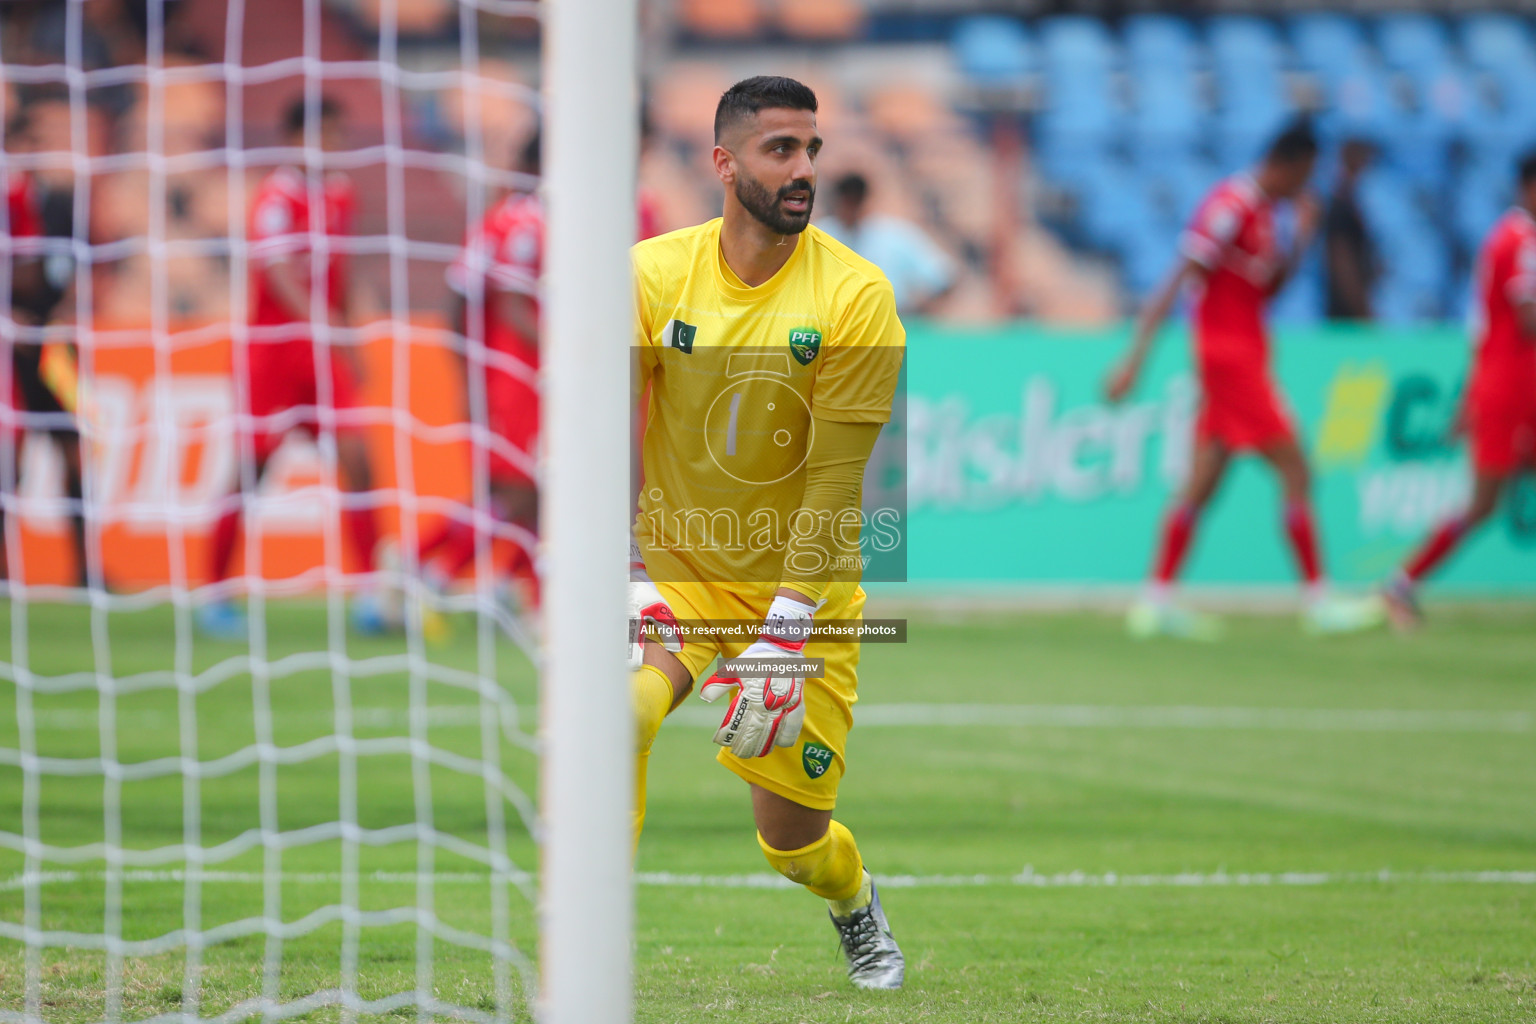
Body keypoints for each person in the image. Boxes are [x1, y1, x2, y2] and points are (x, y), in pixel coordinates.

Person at [629, 76, 907, 989]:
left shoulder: (858, 296)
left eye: (812, 150)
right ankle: (586, 946)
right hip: (679, 572)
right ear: (723, 162)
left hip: (805, 592)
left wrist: (784, 632)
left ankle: (853, 900)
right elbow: (606, 442)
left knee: (788, 844)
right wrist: (631, 577)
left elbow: (837, 490)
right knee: (620, 712)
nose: (803, 169)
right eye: (780, 149)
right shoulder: (652, 275)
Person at [1105, 119, 1381, 638]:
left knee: (1203, 481)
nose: (1308, 186)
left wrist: (1302, 237)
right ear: (1293, 164)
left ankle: (1153, 601)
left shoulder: (1267, 215)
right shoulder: (1230, 205)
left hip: (1243, 352)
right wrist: (1134, 359)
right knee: (1297, 467)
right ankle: (1319, 599)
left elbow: (1265, 290)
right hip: (1230, 360)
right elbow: (1179, 277)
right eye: (1307, 174)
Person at [199, 96, 387, 638]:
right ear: (294, 137)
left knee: (359, 459)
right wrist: (322, 321)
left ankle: (371, 591)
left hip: (322, 357)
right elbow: (278, 272)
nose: (329, 143)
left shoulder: (340, 194)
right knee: (250, 470)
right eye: (319, 132)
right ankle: (214, 594)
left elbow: (342, 272)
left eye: (334, 131)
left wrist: (349, 338)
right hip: (273, 356)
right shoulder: (275, 198)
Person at [1381, 153, 1536, 629]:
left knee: (1484, 501)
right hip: (1513, 390)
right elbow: (1528, 318)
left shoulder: (1509, 238)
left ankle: (1401, 584)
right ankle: (1401, 583)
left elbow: (1483, 326)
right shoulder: (1520, 239)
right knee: (1483, 502)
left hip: (1511, 385)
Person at [416, 131, 547, 621]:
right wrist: (470, 371)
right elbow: (480, 301)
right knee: (520, 490)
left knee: (530, 492)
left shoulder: (527, 218)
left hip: (528, 376)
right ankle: (430, 571)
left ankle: (451, 573)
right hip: (513, 376)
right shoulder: (520, 221)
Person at [2, 103, 92, 588]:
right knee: (8, 457)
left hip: (56, 346)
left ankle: (84, 570)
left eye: (38, 144)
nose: (32, 153)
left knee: (75, 446)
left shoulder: (61, 202)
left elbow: (82, 261)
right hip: (11, 347)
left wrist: (67, 312)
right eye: (23, 144)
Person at [817, 172, 954, 316]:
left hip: (888, 322)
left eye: (856, 201)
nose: (851, 208)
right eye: (847, 201)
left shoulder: (894, 235)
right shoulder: (820, 234)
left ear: (865, 200)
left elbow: (944, 277)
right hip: (832, 324)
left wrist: (917, 312)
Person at [1324, 137, 1378, 321]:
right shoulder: (1341, 206)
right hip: (1345, 317)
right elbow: (1342, 262)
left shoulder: (1353, 203)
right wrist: (1363, 312)